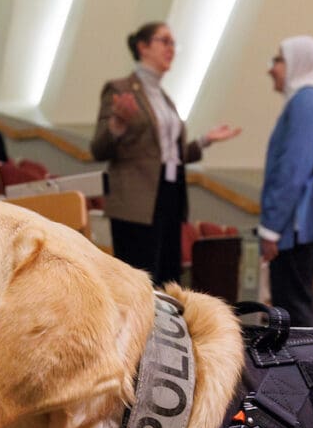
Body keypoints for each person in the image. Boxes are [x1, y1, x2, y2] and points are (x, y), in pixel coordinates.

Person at [90, 21, 240, 286]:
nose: (171, 48)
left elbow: (170, 154)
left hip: (170, 195)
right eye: (165, 41)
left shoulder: (164, 97)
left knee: (167, 276)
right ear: (143, 46)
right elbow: (98, 149)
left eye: (174, 43)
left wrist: (205, 141)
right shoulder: (120, 89)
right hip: (137, 199)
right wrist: (118, 124)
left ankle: (164, 328)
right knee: (141, 278)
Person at [258, 35, 313, 327]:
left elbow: (293, 170)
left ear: (298, 63)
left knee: (294, 309)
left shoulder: (306, 100)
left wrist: (270, 229)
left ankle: (309, 369)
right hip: (304, 221)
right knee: (297, 302)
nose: (272, 69)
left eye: (278, 60)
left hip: (295, 223)